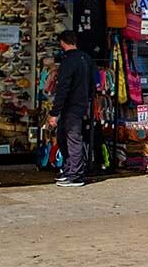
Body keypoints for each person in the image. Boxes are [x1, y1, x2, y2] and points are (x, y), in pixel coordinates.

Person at [48, 31, 95, 187]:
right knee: (62, 137)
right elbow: (94, 81)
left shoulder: (68, 61)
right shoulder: (86, 58)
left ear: (62, 43)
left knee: (72, 138)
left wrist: (54, 112)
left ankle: (75, 175)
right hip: (81, 104)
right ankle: (69, 169)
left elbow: (63, 88)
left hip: (71, 105)